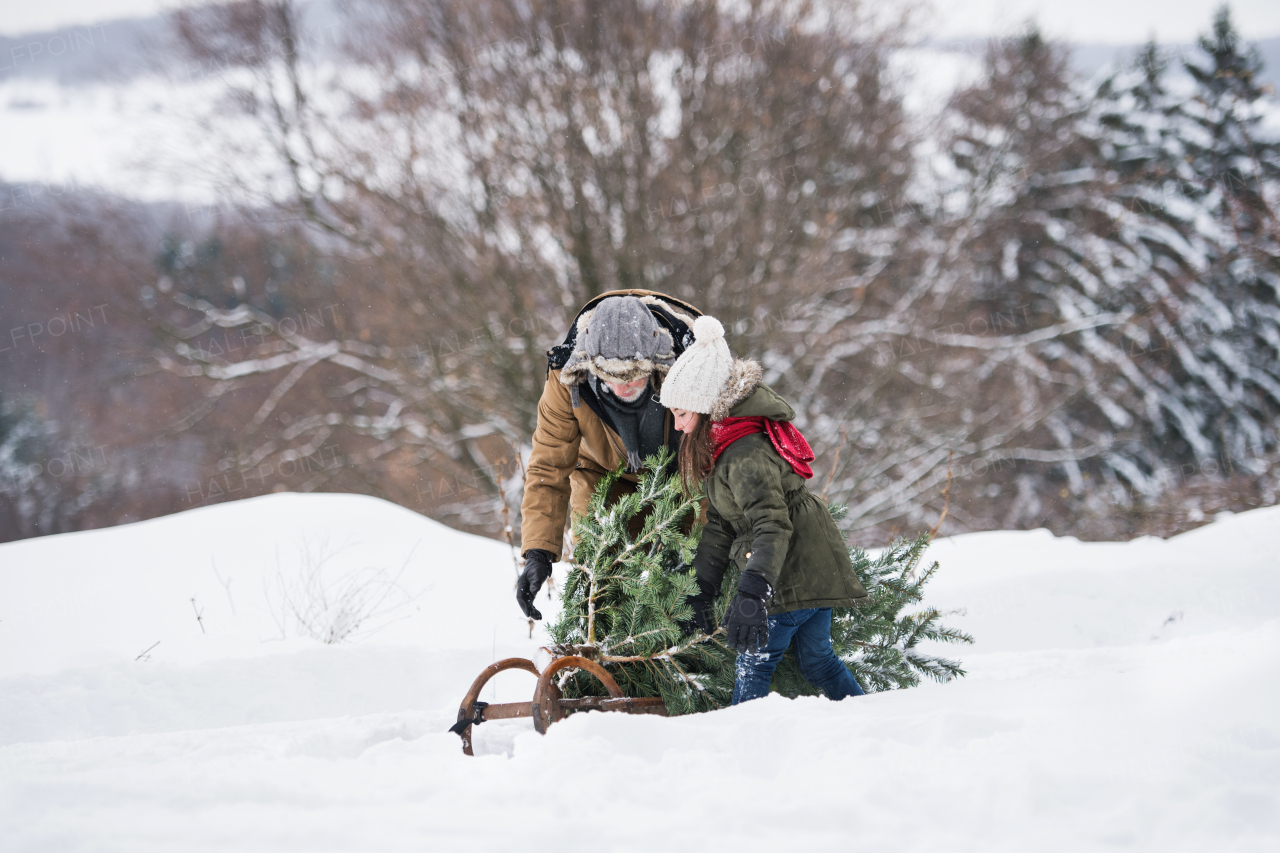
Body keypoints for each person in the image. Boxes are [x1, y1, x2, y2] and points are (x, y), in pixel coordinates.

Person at [659, 315, 870, 705]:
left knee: (754, 663)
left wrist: (753, 592)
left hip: (791, 570)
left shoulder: (744, 455)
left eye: (683, 414)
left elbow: (772, 525)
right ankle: (868, 717)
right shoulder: (725, 444)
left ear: (706, 408)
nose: (678, 427)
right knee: (818, 661)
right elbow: (722, 522)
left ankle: (743, 744)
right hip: (813, 564)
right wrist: (701, 591)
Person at [516, 291, 702, 619]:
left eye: (631, 376)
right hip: (602, 478)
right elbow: (549, 464)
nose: (620, 389)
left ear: (657, 360)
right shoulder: (567, 379)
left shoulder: (693, 368)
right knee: (600, 586)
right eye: (608, 377)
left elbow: (720, 460)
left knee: (687, 585)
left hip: (681, 480)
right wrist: (538, 552)